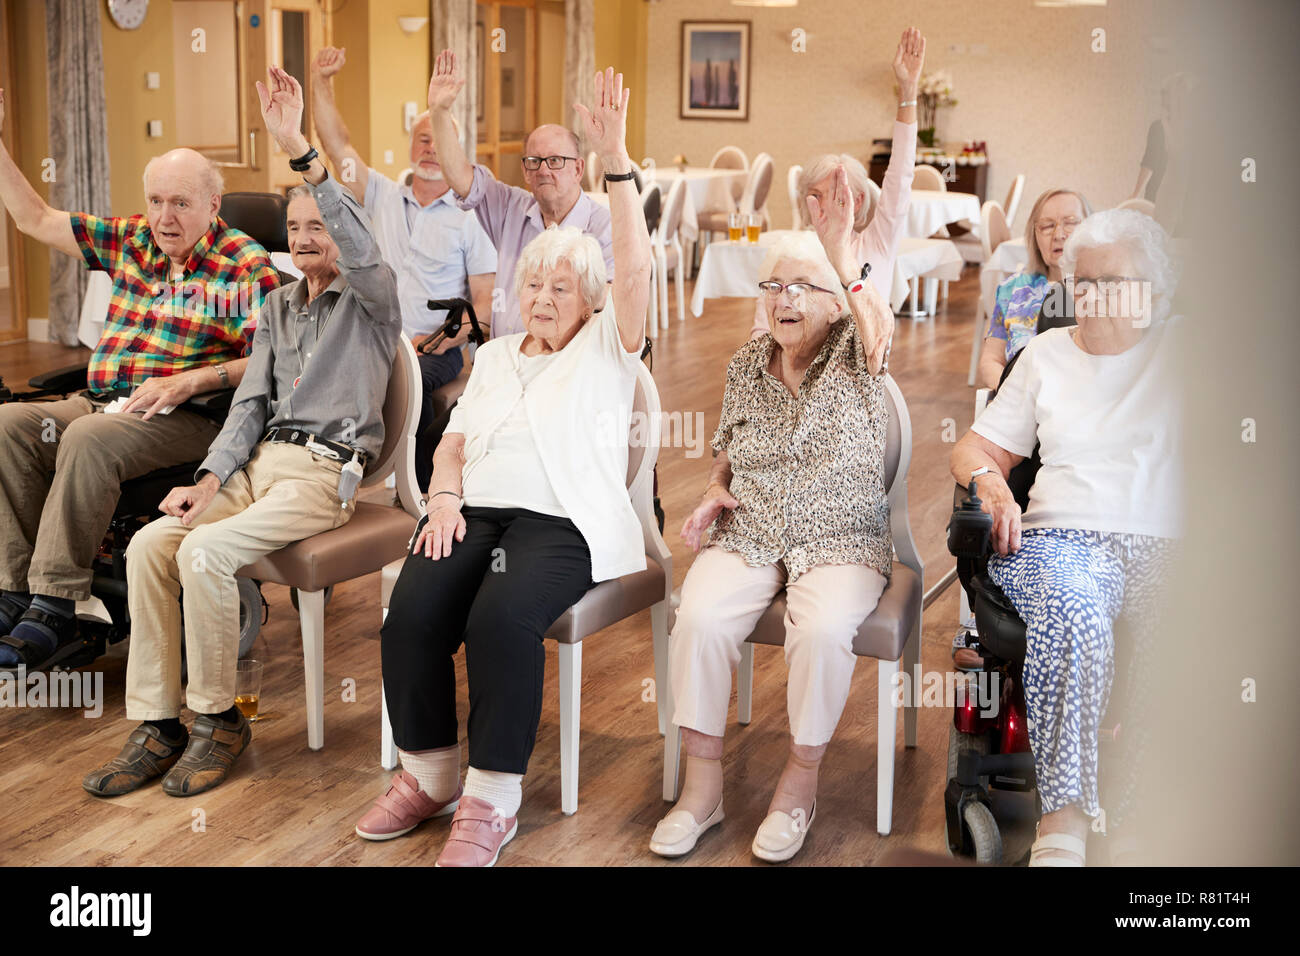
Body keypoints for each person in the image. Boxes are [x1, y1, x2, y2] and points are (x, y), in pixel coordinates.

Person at [355, 67, 650, 867]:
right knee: (411, 612)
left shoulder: (606, 349)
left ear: (591, 301)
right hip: (473, 508)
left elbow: (636, 267)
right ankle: (428, 775)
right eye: (534, 282)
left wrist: (616, 160)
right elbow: (450, 442)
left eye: (563, 286)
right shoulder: (491, 358)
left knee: (497, 618)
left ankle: (490, 802)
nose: (544, 295)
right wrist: (443, 499)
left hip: (561, 520)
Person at [81, 67, 402, 799]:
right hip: (258, 467)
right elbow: (249, 407)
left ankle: (218, 719)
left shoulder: (373, 301)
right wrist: (206, 480)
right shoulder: (279, 310)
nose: (304, 237)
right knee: (149, 544)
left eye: (318, 225)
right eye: (294, 229)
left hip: (326, 476)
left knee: (205, 553)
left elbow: (356, 240)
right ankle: (160, 724)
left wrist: (300, 152)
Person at [653, 149, 899, 862]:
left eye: (803, 287)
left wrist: (839, 254)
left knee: (821, 633)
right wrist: (712, 489)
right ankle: (701, 790)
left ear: (834, 300)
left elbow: (877, 328)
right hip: (752, 524)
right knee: (696, 616)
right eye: (775, 287)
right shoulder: (744, 363)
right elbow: (727, 445)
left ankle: (799, 784)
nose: (785, 300)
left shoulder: (859, 347)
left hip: (841, 534)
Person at [0, 87, 279, 670]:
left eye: (180, 203)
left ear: (213, 203)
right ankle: (15, 591)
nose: (164, 217)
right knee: (7, 424)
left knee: (87, 439)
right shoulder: (133, 240)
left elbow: (275, 360)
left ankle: (54, 603)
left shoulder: (242, 264)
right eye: (155, 201)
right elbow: (33, 217)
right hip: (107, 401)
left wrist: (193, 380)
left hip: (190, 419)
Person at [949, 209, 1182, 865]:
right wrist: (991, 486)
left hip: (1167, 539)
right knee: (1075, 613)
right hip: (1063, 539)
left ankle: (1139, 819)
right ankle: (1064, 823)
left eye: (1117, 280)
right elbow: (976, 446)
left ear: (1155, 290)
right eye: (1086, 280)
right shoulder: (1045, 354)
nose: (1097, 293)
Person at [310, 46, 496, 488]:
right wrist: (320, 82)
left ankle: (415, 489)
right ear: (410, 146)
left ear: (457, 148)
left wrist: (435, 341)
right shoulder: (383, 195)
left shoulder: (473, 215)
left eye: (440, 139)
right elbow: (337, 146)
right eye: (423, 138)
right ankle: (329, 476)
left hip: (436, 350)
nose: (431, 148)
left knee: (399, 379)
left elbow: (484, 313)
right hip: (375, 337)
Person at [750, 27, 926, 341]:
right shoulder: (792, 251)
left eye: (834, 195)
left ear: (857, 201)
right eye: (813, 196)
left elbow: (900, 173)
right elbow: (762, 333)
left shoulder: (877, 242)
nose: (822, 206)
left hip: (858, 376)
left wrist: (908, 91)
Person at [425, 48, 615, 339]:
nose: (543, 170)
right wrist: (439, 112)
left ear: (578, 169)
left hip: (565, 369)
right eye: (534, 161)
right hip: (505, 363)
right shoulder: (509, 207)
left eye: (555, 161)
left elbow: (609, 316)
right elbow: (459, 177)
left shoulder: (603, 228)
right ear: (525, 172)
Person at [975, 188, 1093, 392]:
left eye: (1071, 222)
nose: (1058, 234)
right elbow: (990, 360)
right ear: (1034, 236)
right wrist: (1011, 391)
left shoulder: (1104, 290)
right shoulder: (1012, 290)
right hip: (1021, 404)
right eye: (1047, 226)